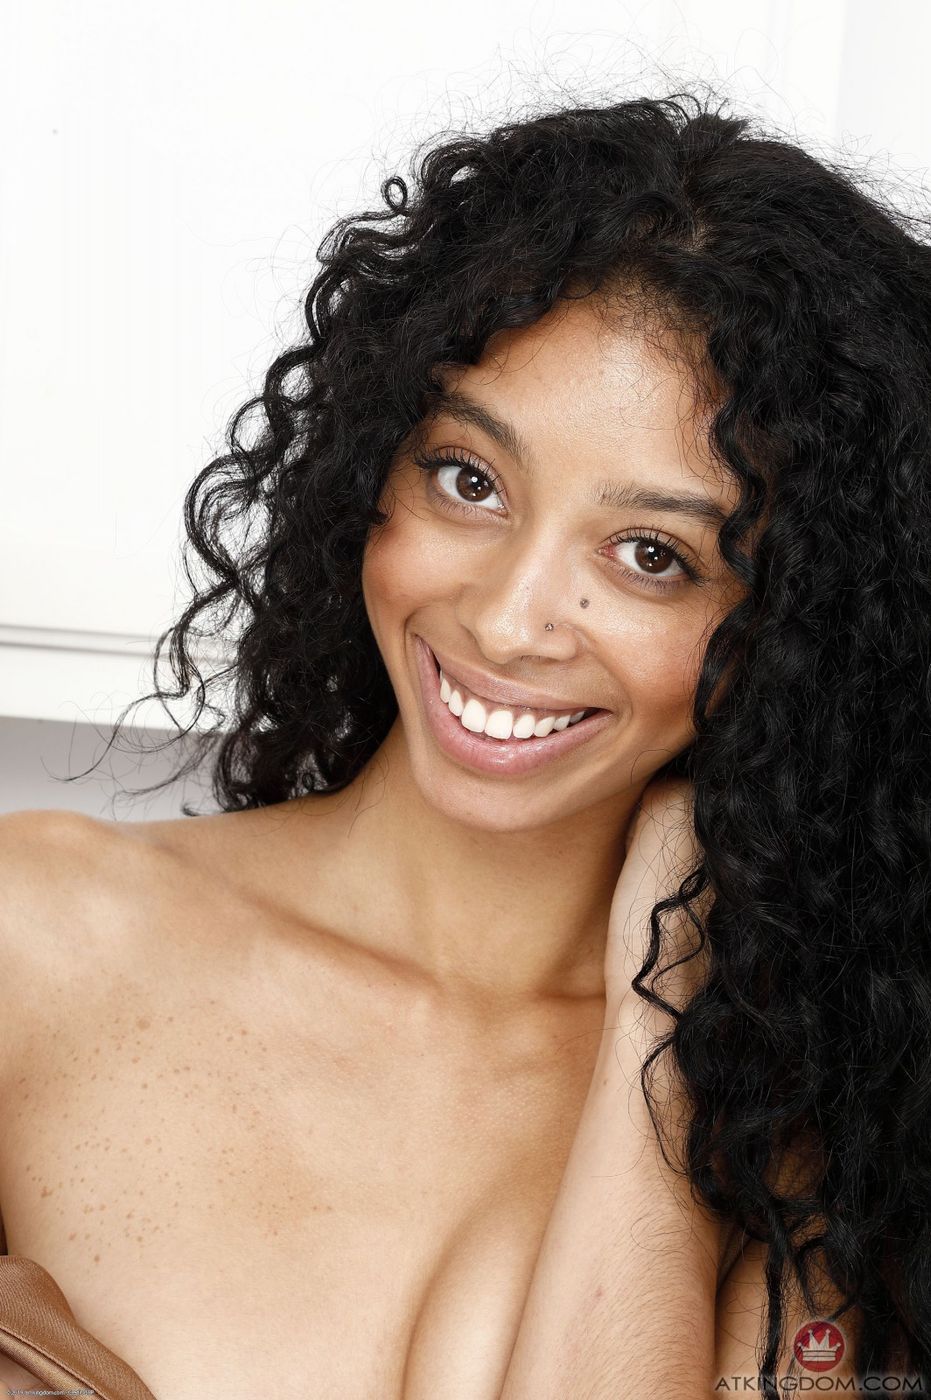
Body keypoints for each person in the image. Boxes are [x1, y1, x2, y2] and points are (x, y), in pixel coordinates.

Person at [0, 88, 928, 1398]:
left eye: (651, 555)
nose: (506, 619)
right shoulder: (34, 937)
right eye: (470, 480)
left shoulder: (825, 1137)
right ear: (370, 466)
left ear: (802, 628)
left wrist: (663, 1031)